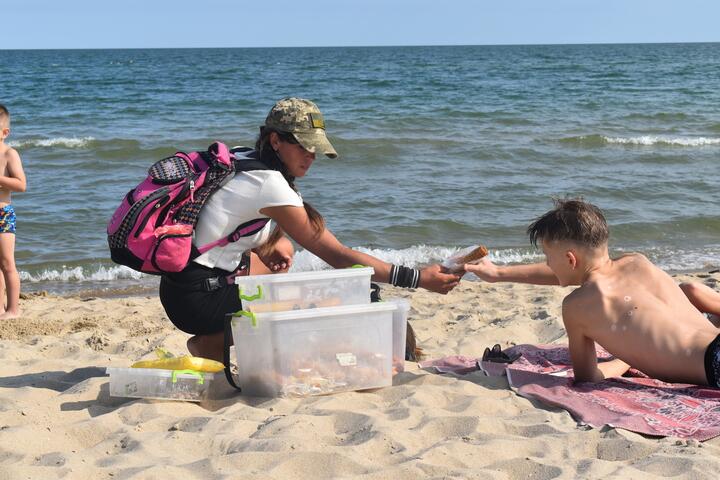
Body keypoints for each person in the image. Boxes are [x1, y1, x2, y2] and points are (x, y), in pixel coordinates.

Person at [160, 97, 461, 361]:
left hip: (178, 287)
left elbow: (225, 218)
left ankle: (221, 334)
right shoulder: (270, 184)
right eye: (304, 146)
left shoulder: (241, 157)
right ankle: (213, 341)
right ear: (276, 141)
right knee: (326, 299)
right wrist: (418, 279)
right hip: (198, 301)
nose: (311, 157)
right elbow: (339, 256)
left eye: (316, 149)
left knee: (283, 257)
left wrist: (272, 240)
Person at [465, 198, 720, 387]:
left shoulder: (575, 307)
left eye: (547, 257)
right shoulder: (637, 262)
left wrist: (624, 361)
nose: (548, 264)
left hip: (715, 363)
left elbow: (588, 377)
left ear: (570, 259)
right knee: (690, 294)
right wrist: (498, 274)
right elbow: (579, 274)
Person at [0, 105, 27, 320]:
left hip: (3, 215)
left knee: (7, 263)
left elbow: (20, 184)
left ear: (4, 133)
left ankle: (13, 310)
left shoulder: (9, 154)